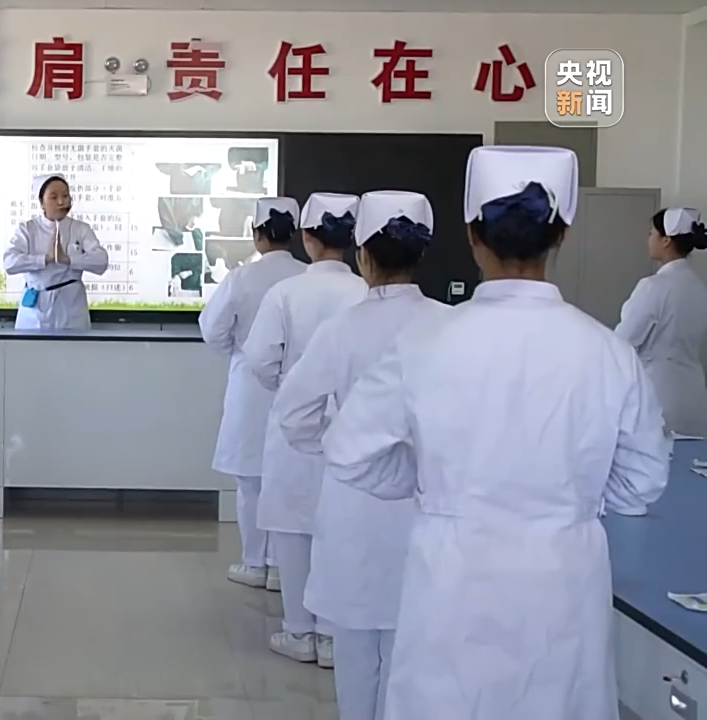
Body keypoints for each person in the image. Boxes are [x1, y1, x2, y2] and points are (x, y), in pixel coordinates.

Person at [322, 146, 670, 720]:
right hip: (564, 580)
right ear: (561, 235)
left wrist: (429, 483)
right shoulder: (607, 352)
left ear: (470, 235)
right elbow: (642, 481)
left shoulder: (425, 343)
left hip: (452, 578)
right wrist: (569, 499)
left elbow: (349, 453)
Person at [273, 191, 446, 720]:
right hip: (431, 505)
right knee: (411, 655)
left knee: (354, 655)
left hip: (354, 508)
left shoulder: (342, 329)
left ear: (363, 255)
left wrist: (337, 446)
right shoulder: (449, 324)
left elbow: (293, 414)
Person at [243, 192, 366, 668]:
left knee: (293, 530)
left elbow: (260, 358)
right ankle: (333, 635)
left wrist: (289, 386)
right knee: (339, 530)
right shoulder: (363, 293)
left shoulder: (287, 293)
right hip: (352, 428)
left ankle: (299, 629)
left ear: (308, 238)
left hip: (294, 426)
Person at [198, 197, 306, 591]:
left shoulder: (240, 278)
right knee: (291, 479)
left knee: (250, 483)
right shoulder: (306, 276)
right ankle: (282, 566)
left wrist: (239, 354)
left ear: (257, 235)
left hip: (250, 387)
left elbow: (213, 329)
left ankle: (254, 561)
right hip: (299, 386)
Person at [615, 207, 707, 436]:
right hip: (694, 396)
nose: (649, 240)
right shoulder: (700, 288)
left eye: (651, 233)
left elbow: (623, 342)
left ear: (666, 240)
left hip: (659, 395)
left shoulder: (653, 287)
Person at [3, 175, 109, 330]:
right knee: (29, 345)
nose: (61, 202)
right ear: (42, 203)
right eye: (54, 197)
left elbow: (101, 261)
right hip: (34, 310)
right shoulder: (27, 229)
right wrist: (44, 259)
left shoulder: (81, 229)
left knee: (71, 345)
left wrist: (69, 260)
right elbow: (9, 263)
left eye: (65, 196)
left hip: (71, 307)